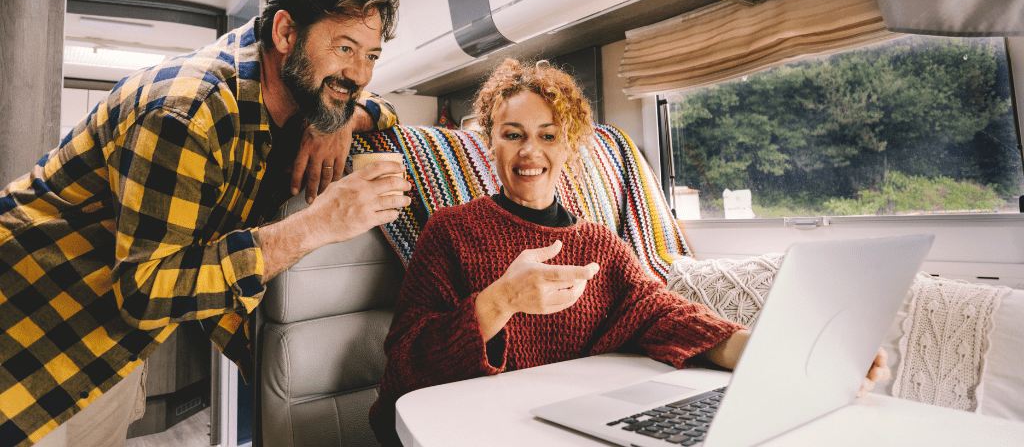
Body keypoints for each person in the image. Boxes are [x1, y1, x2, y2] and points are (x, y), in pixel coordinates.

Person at [0, 0, 412, 447]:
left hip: (112, 340)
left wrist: (343, 117)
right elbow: (146, 291)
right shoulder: (189, 110)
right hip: (31, 319)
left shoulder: (291, 93)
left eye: (371, 55)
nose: (361, 73)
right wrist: (320, 224)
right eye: (345, 47)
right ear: (284, 33)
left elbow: (384, 107)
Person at [368, 59, 890, 446]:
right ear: (491, 142)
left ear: (570, 147)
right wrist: (499, 302)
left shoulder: (599, 244)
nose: (530, 151)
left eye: (548, 135)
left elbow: (669, 316)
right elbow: (404, 367)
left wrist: (796, 356)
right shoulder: (452, 230)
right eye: (513, 135)